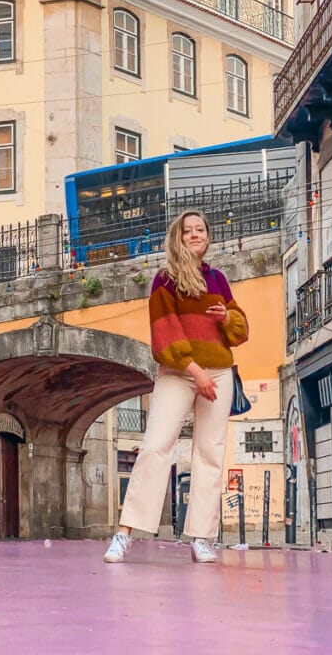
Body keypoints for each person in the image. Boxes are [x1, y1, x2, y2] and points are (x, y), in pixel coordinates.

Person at [103, 210, 249, 565]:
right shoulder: (165, 281)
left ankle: (201, 537)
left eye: (201, 230)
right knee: (155, 447)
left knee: (210, 454)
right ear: (178, 237)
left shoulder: (218, 279)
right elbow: (163, 333)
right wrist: (194, 370)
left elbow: (240, 331)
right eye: (189, 231)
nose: (196, 235)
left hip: (219, 371)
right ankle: (124, 533)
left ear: (208, 236)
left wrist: (226, 318)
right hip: (179, 372)